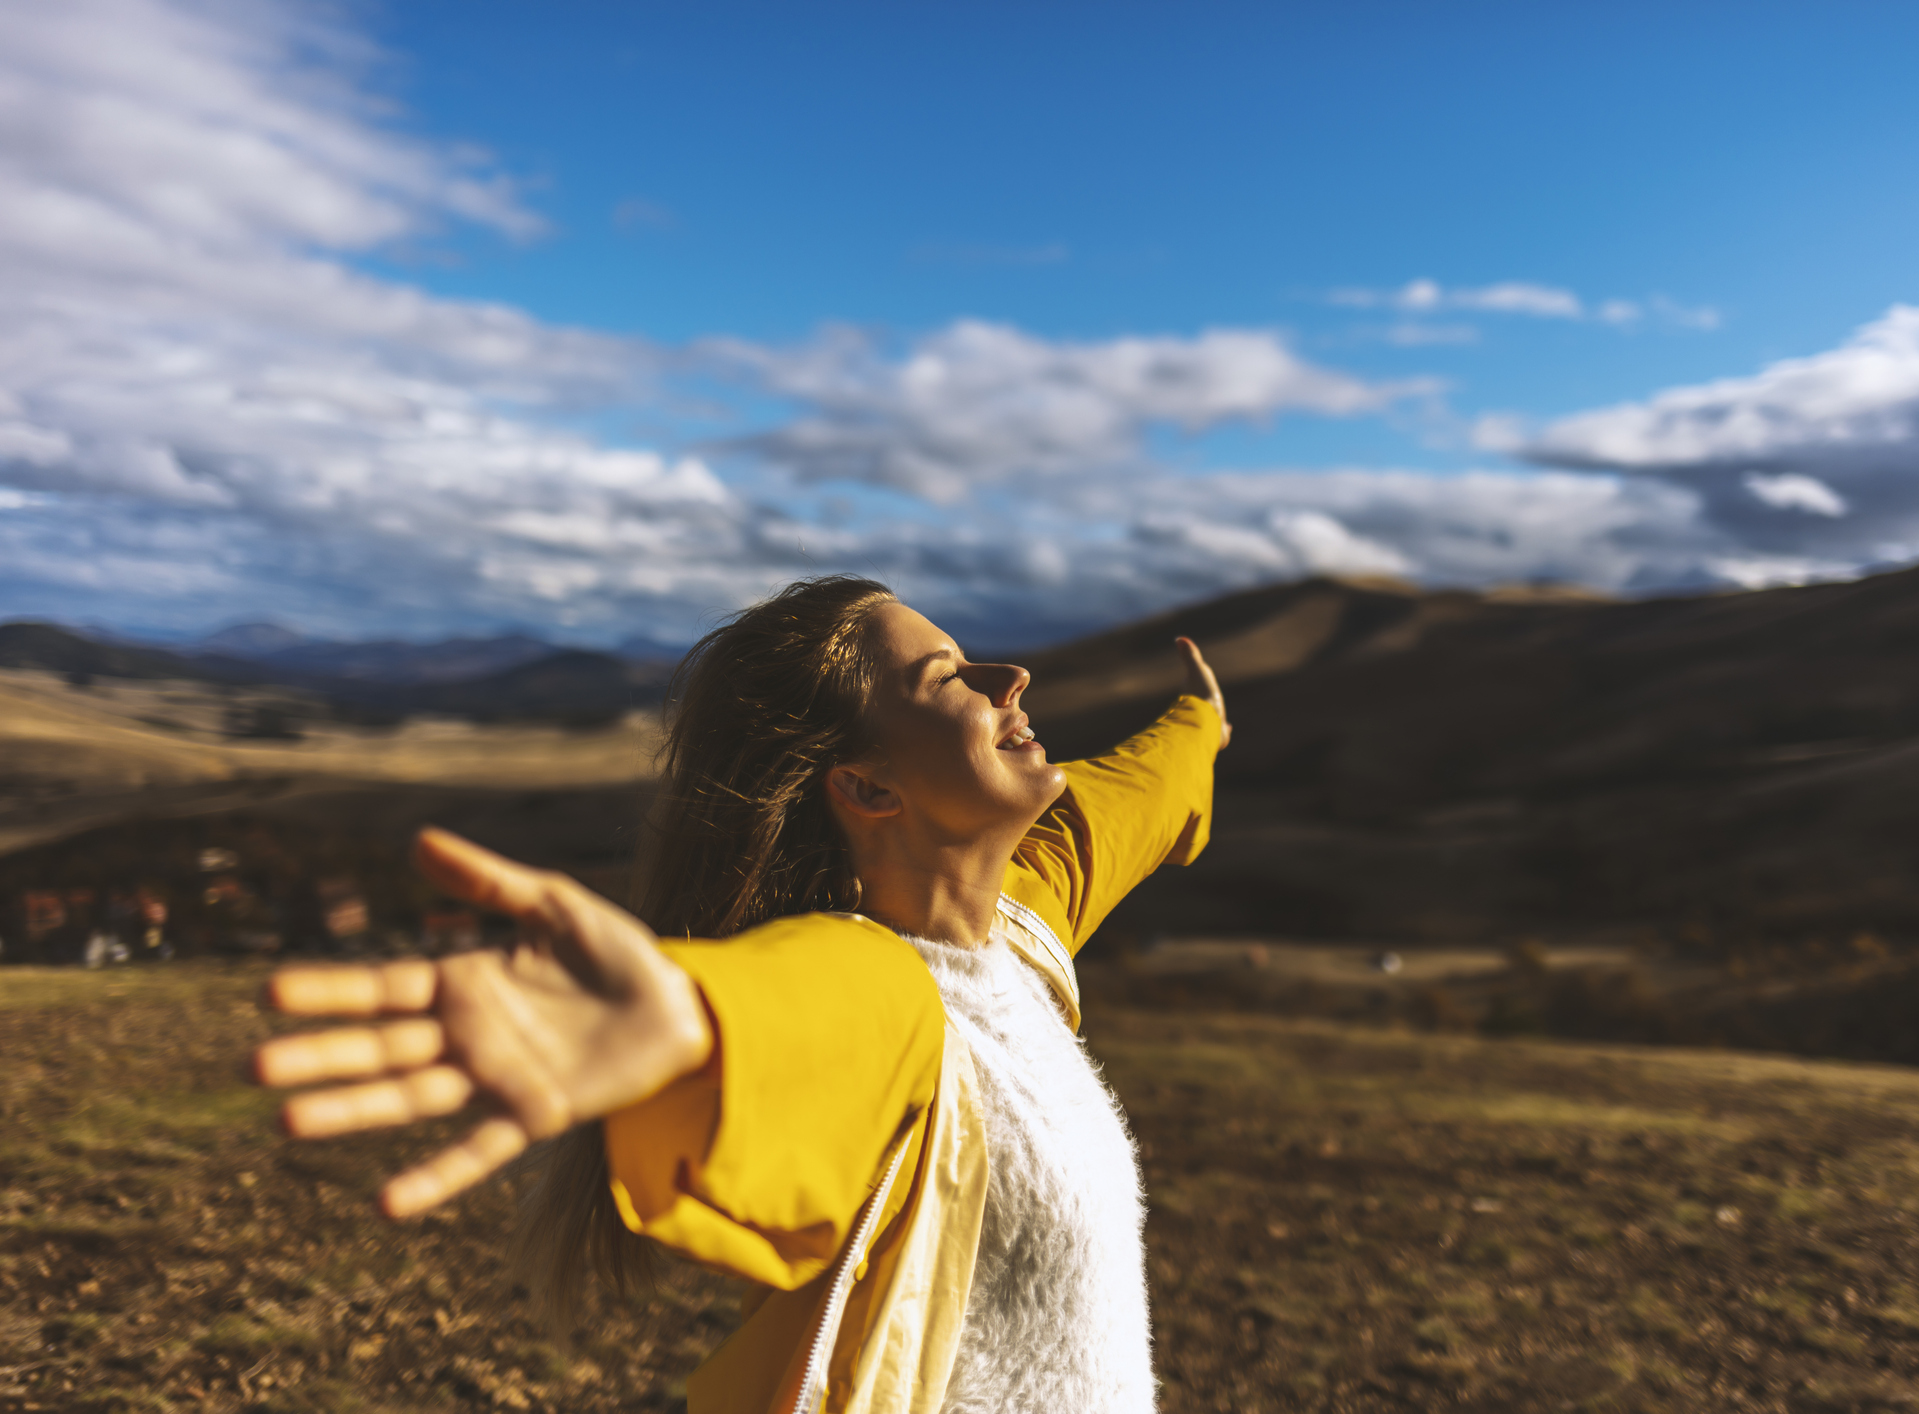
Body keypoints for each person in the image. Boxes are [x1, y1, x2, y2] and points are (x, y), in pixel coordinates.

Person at [253, 575, 1231, 1414]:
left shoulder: (1017, 928)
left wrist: (1200, 728)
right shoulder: (890, 991)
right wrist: (679, 1016)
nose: (1006, 678)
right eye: (946, 679)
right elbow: (797, 1008)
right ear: (869, 788)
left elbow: (1123, 803)